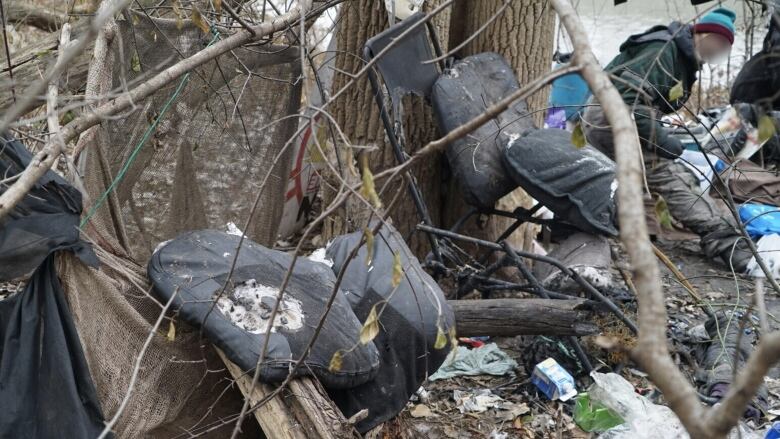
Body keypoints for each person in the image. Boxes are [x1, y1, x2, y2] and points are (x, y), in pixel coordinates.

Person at [581, 7, 754, 271]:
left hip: (621, 119)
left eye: (725, 46)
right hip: (609, 118)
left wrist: (663, 131)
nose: (720, 49)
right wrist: (661, 140)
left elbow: (647, 101)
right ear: (703, 34)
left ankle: (635, 226)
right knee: (665, 175)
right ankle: (725, 238)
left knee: (670, 174)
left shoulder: (684, 56)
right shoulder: (662, 51)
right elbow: (629, 102)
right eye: (719, 42)